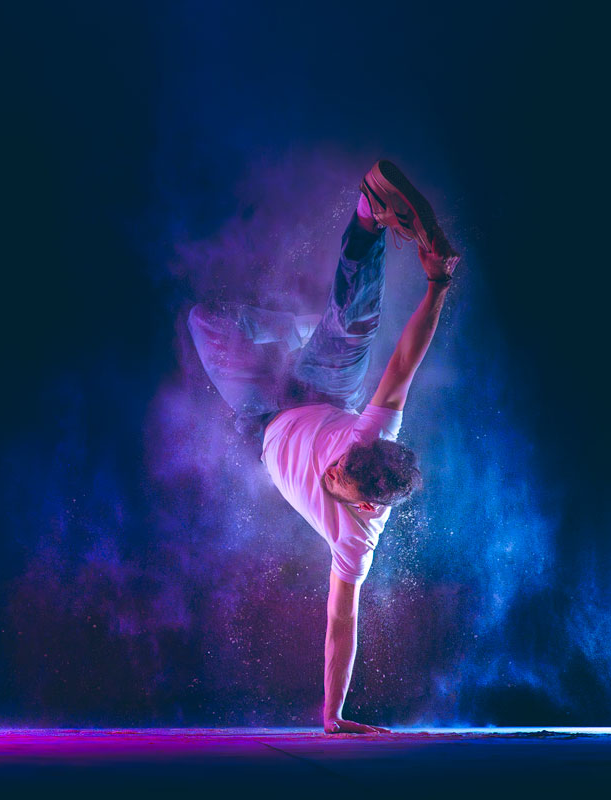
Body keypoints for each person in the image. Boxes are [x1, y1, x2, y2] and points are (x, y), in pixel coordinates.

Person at [188, 160, 460, 734]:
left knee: (203, 318)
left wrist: (333, 713)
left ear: (366, 504)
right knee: (358, 323)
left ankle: (289, 332)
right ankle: (369, 212)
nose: (329, 468)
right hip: (325, 389)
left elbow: (341, 623)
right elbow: (405, 361)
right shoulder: (373, 438)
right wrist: (438, 284)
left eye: (337, 476)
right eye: (340, 462)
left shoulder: (356, 542)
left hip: (264, 415)